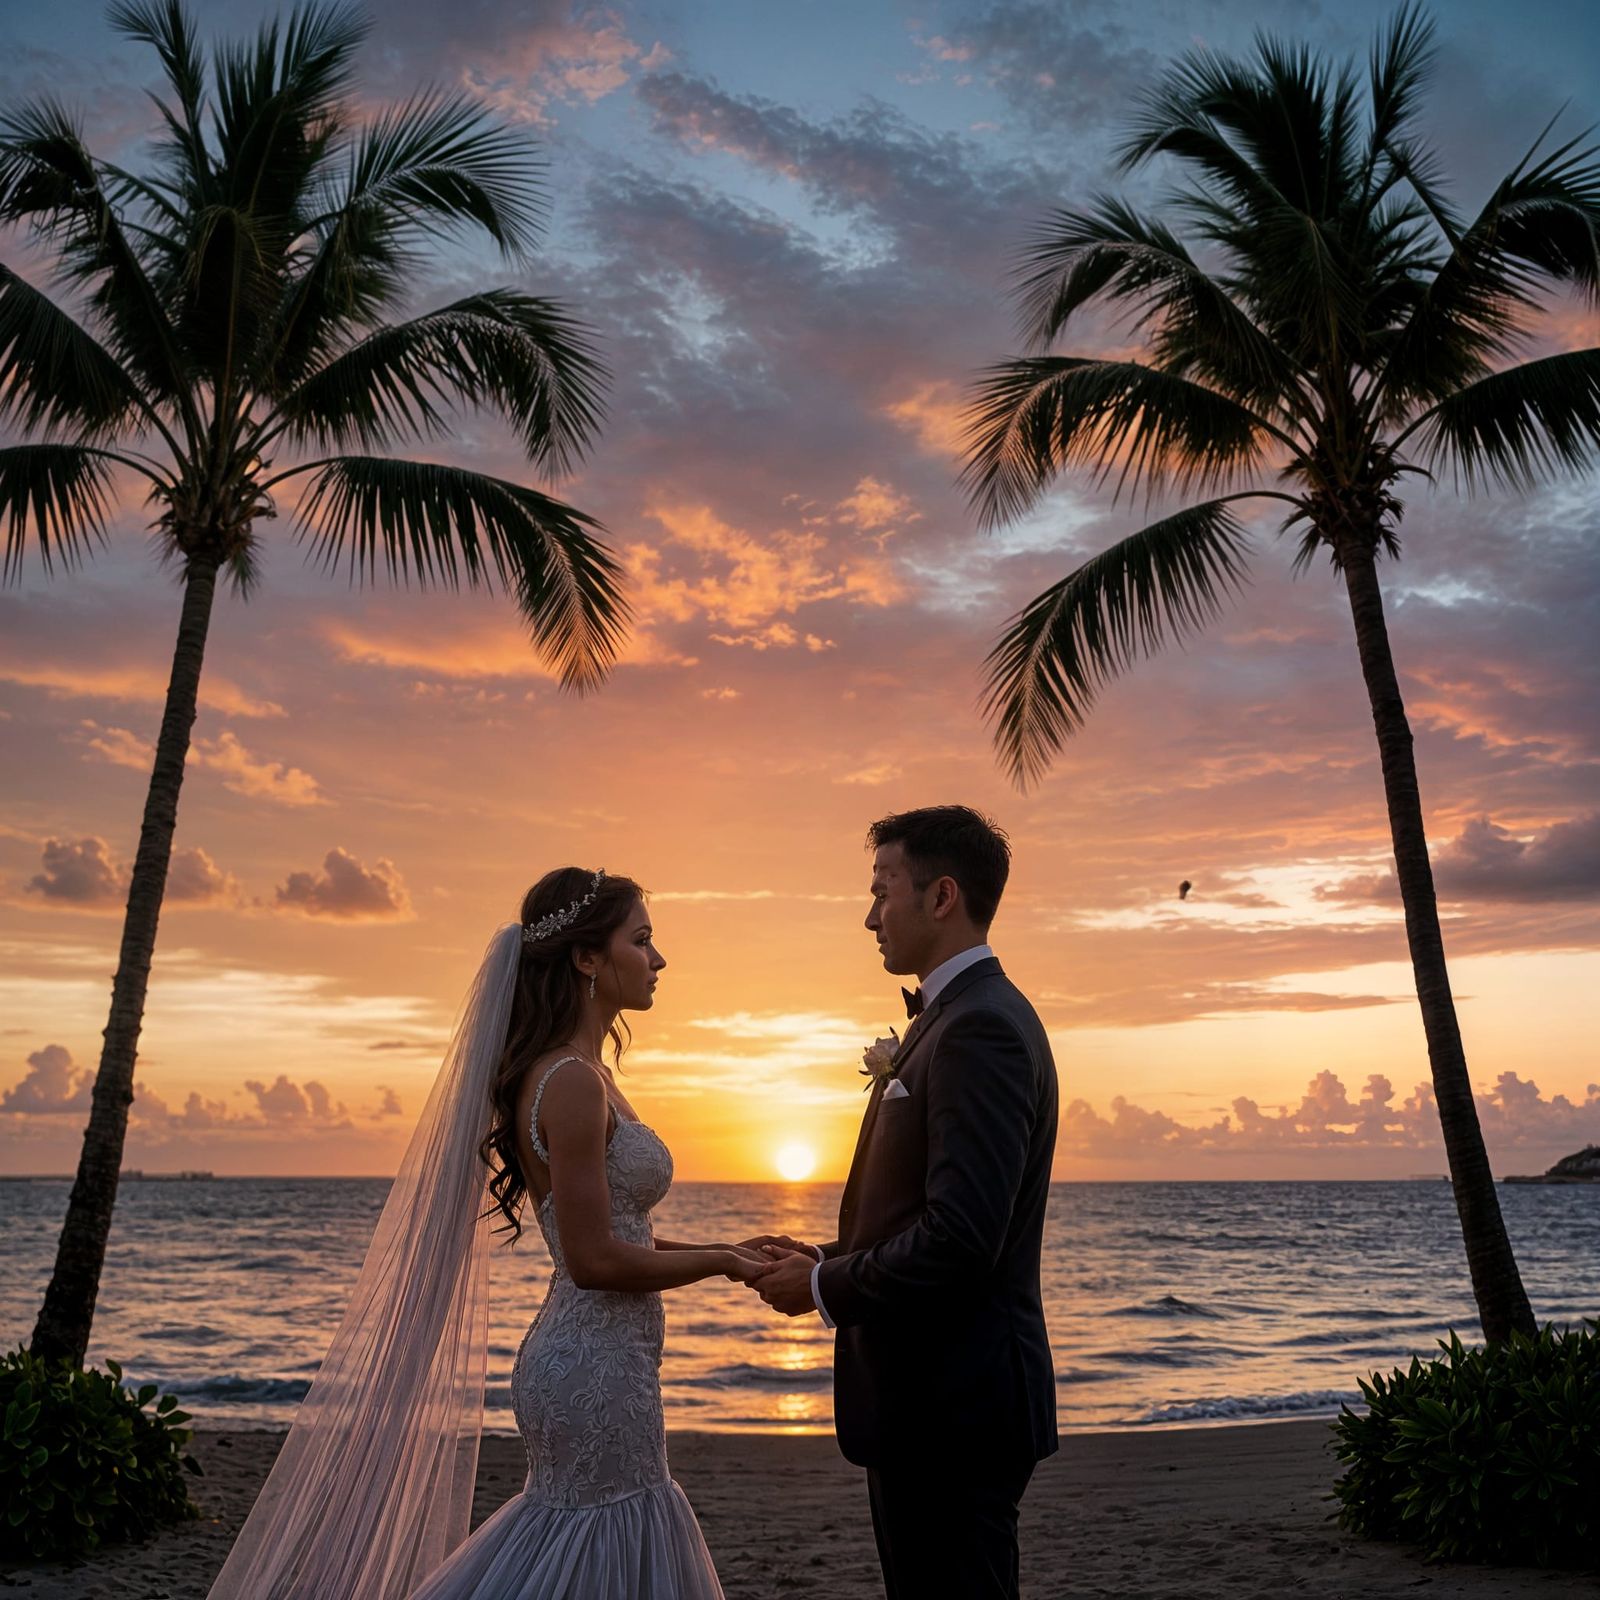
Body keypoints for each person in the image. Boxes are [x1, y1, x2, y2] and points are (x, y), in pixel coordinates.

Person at [208, 868, 772, 1600]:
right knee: (602, 1539)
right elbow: (593, 1260)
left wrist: (736, 1252)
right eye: (642, 940)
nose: (658, 960)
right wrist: (723, 1261)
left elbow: (606, 1233)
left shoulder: (584, 1074)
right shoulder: (569, 1080)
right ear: (586, 959)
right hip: (594, 1367)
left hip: (599, 1359)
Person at [749, 806, 1059, 1600]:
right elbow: (927, 1214)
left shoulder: (978, 1028)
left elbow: (961, 1239)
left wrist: (824, 1290)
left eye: (882, 890)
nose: (869, 915)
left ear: (942, 895)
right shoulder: (955, 1019)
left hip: (952, 1410)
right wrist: (827, 1257)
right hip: (935, 1405)